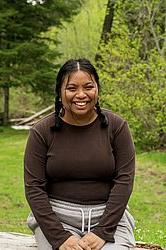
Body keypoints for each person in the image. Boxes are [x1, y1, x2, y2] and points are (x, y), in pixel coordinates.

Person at [24, 58, 136, 250]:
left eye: (88, 87)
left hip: (110, 220)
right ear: (60, 92)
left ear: (97, 90)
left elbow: (124, 182)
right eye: (72, 88)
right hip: (56, 220)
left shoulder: (117, 127)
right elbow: (34, 188)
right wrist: (60, 237)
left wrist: (102, 232)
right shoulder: (41, 132)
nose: (81, 95)